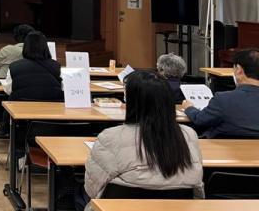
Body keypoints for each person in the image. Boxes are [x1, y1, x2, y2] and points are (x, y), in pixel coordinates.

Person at [78, 70, 203, 210]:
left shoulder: (110, 138)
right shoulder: (189, 135)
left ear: (132, 102)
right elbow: (197, 188)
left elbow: (92, 189)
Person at [180, 48, 259, 138]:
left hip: (220, 146)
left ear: (239, 70)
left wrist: (189, 108)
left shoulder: (223, 99)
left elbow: (200, 120)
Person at [5, 31, 63, 102]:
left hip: (21, 106)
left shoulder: (14, 66)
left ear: (25, 47)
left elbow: (8, 90)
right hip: (51, 107)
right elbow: (61, 87)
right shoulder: (56, 66)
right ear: (45, 47)